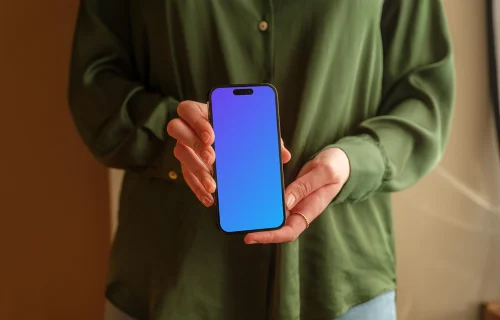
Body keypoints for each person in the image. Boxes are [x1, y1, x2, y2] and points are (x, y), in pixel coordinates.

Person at [68, 0, 455, 319]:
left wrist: (354, 162)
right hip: (172, 280)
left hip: (338, 278)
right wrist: (172, 133)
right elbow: (96, 83)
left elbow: (423, 97)